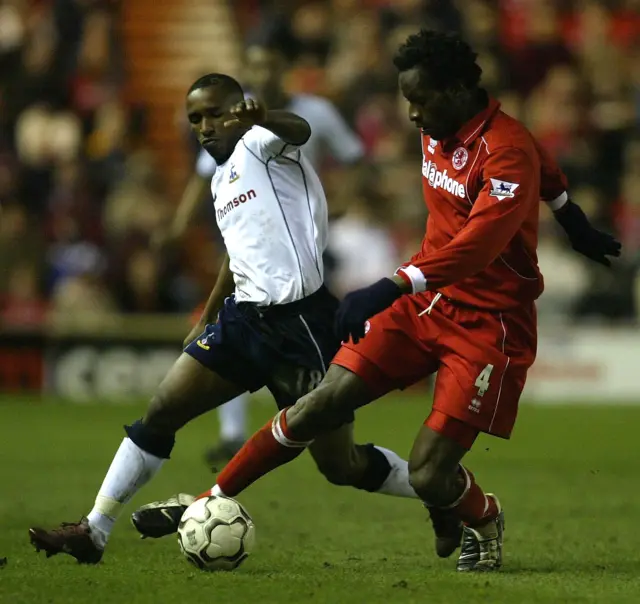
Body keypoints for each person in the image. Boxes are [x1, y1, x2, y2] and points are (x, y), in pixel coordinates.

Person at [131, 31, 622, 573]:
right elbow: (545, 164)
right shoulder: (445, 125)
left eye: (421, 100)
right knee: (319, 403)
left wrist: (392, 285)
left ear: (459, 90)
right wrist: (568, 211)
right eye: (405, 98)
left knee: (428, 475)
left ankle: (483, 516)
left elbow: (478, 246)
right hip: (428, 302)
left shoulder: (505, 151)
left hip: (490, 324)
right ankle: (207, 500)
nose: (410, 114)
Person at [28, 73, 425, 565]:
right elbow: (237, 255)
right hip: (244, 320)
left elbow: (299, 129)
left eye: (215, 113)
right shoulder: (220, 178)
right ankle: (94, 530)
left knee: (339, 464)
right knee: (161, 411)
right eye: (196, 118)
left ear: (238, 111)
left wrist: (265, 118)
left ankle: (435, 489)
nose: (205, 126)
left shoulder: (264, 143)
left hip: (303, 325)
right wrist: (210, 314)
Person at [161, 39, 365, 466]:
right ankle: (233, 433)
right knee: (237, 329)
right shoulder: (230, 139)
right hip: (257, 245)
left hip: (308, 238)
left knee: (335, 454)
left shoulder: (307, 114)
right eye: (254, 65)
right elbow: (209, 179)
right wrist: (178, 225)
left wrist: (345, 200)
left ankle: (347, 366)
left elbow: (349, 156)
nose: (263, 73)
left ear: (284, 68)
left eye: (269, 64)